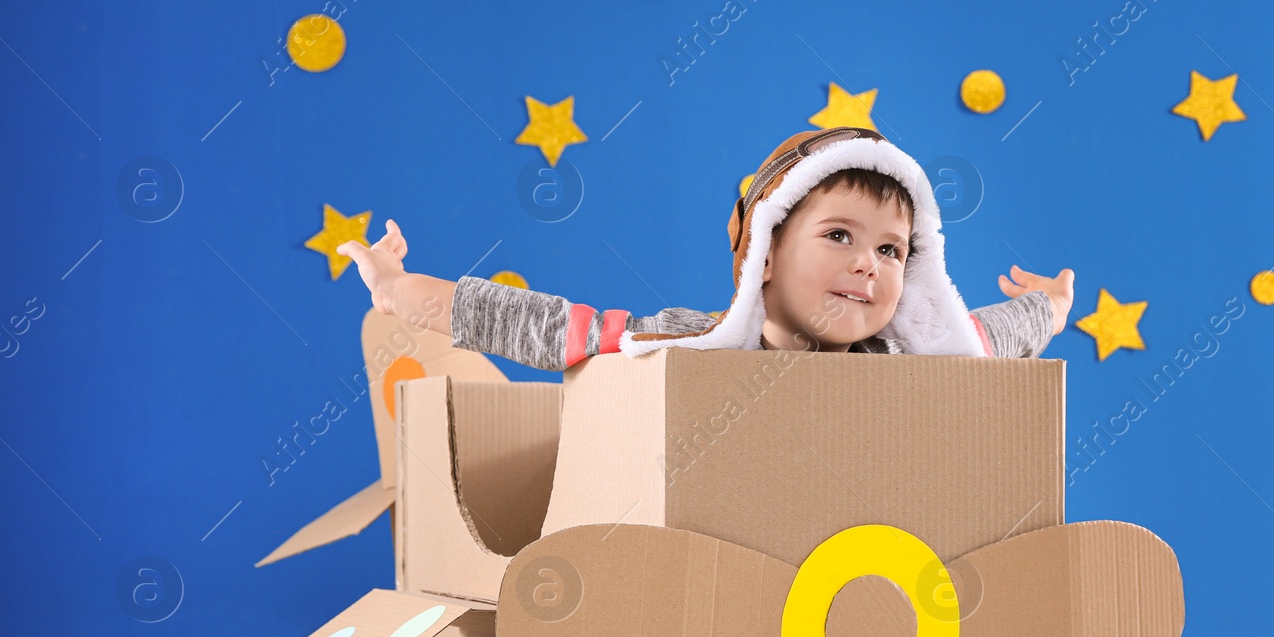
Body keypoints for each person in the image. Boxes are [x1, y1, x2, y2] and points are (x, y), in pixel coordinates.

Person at [337, 126, 1074, 369]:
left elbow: (988, 336)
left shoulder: (906, 365)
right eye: (840, 235)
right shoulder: (697, 346)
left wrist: (1051, 305)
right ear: (764, 254)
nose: (867, 264)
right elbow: (556, 329)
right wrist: (401, 291)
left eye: (892, 251)